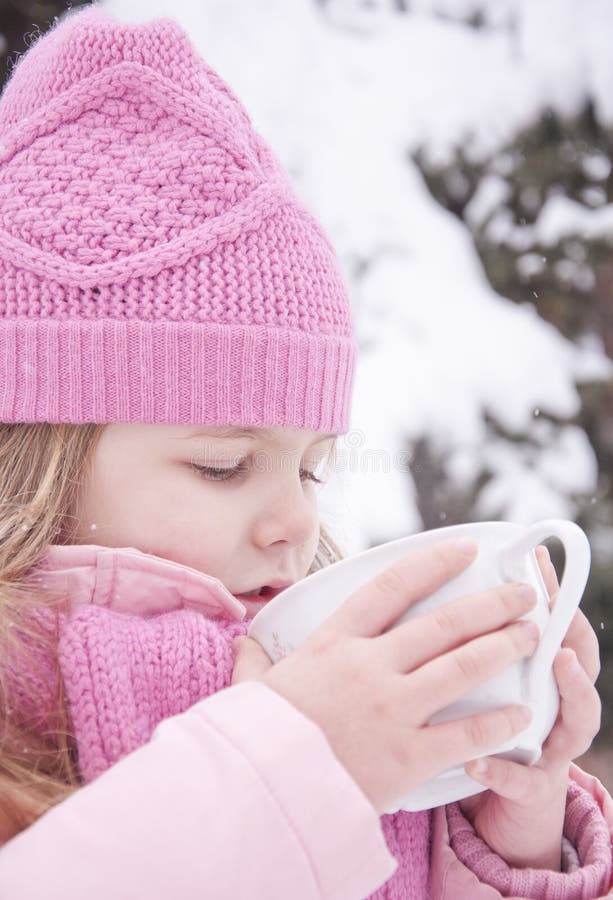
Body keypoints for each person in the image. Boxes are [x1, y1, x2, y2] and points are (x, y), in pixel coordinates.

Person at [0, 6, 610, 898]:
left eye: (311, 467)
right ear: (36, 456)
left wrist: (501, 836)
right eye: (224, 465)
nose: (295, 521)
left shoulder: (332, 687)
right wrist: (295, 769)